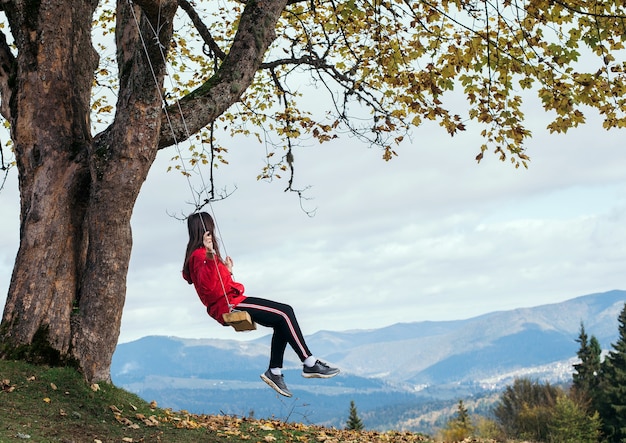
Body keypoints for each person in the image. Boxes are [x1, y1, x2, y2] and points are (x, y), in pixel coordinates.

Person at [182, 212, 340, 397]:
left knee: (281, 321)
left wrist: (226, 270)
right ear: (205, 230)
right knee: (285, 312)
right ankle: (309, 363)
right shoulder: (200, 255)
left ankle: (274, 372)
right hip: (229, 305)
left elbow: (215, 283)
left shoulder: (202, 255)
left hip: (231, 301)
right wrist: (210, 258)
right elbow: (208, 289)